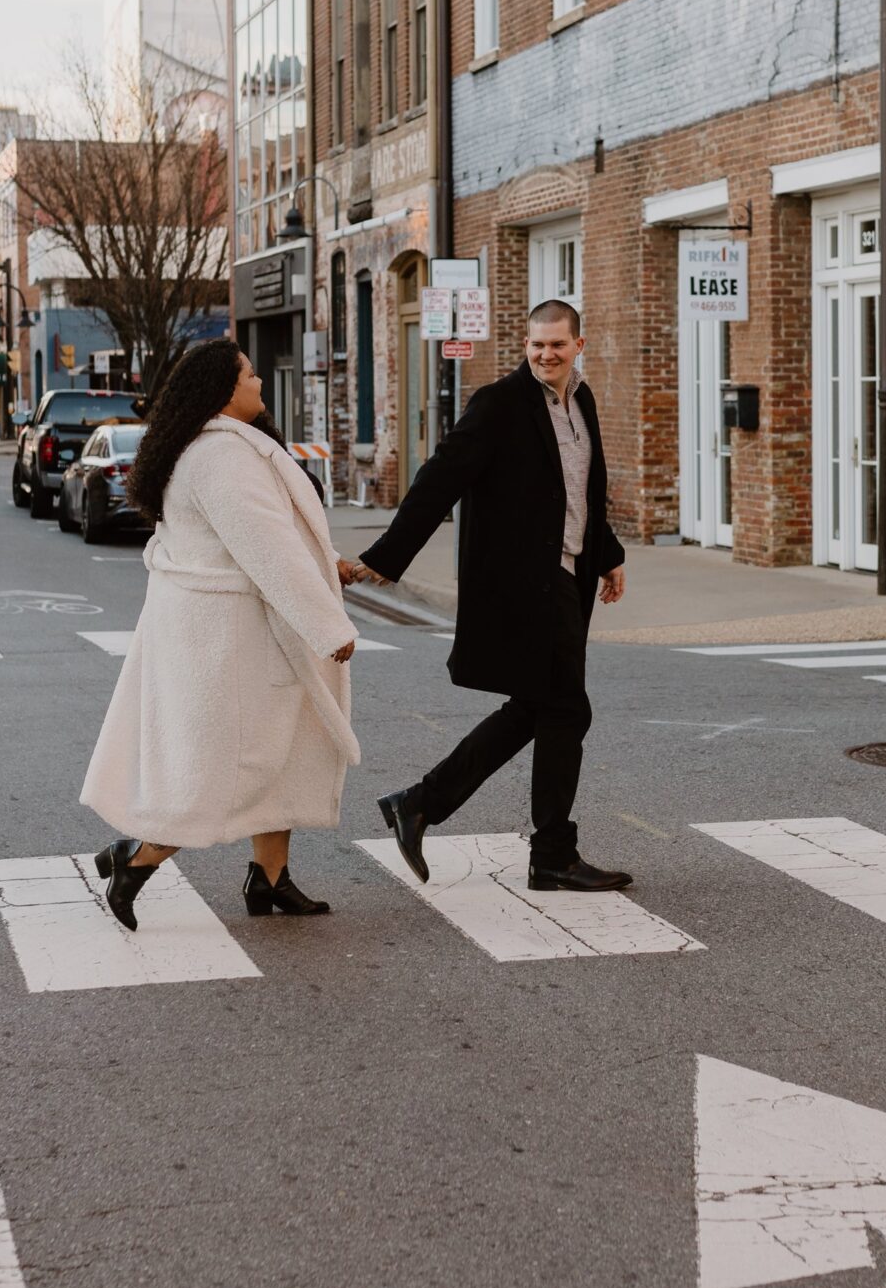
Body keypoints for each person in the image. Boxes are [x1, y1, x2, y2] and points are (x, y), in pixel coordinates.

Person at [344, 299, 631, 893]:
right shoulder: (499, 405)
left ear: (580, 344)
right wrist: (386, 556)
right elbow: (440, 479)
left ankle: (420, 803)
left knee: (539, 707)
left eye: (557, 344)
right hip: (526, 584)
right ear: (525, 347)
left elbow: (582, 490)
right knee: (566, 708)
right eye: (536, 345)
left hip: (571, 574)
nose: (546, 354)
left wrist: (609, 555)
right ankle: (549, 851)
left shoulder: (582, 400)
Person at [81, 338, 358, 927]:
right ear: (223, 390)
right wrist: (328, 624)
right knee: (231, 765)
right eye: (251, 374)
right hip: (234, 642)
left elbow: (276, 533)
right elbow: (270, 550)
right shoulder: (222, 458)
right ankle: (139, 857)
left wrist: (325, 560)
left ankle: (271, 879)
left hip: (231, 633)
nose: (259, 382)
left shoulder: (217, 448)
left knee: (279, 749)